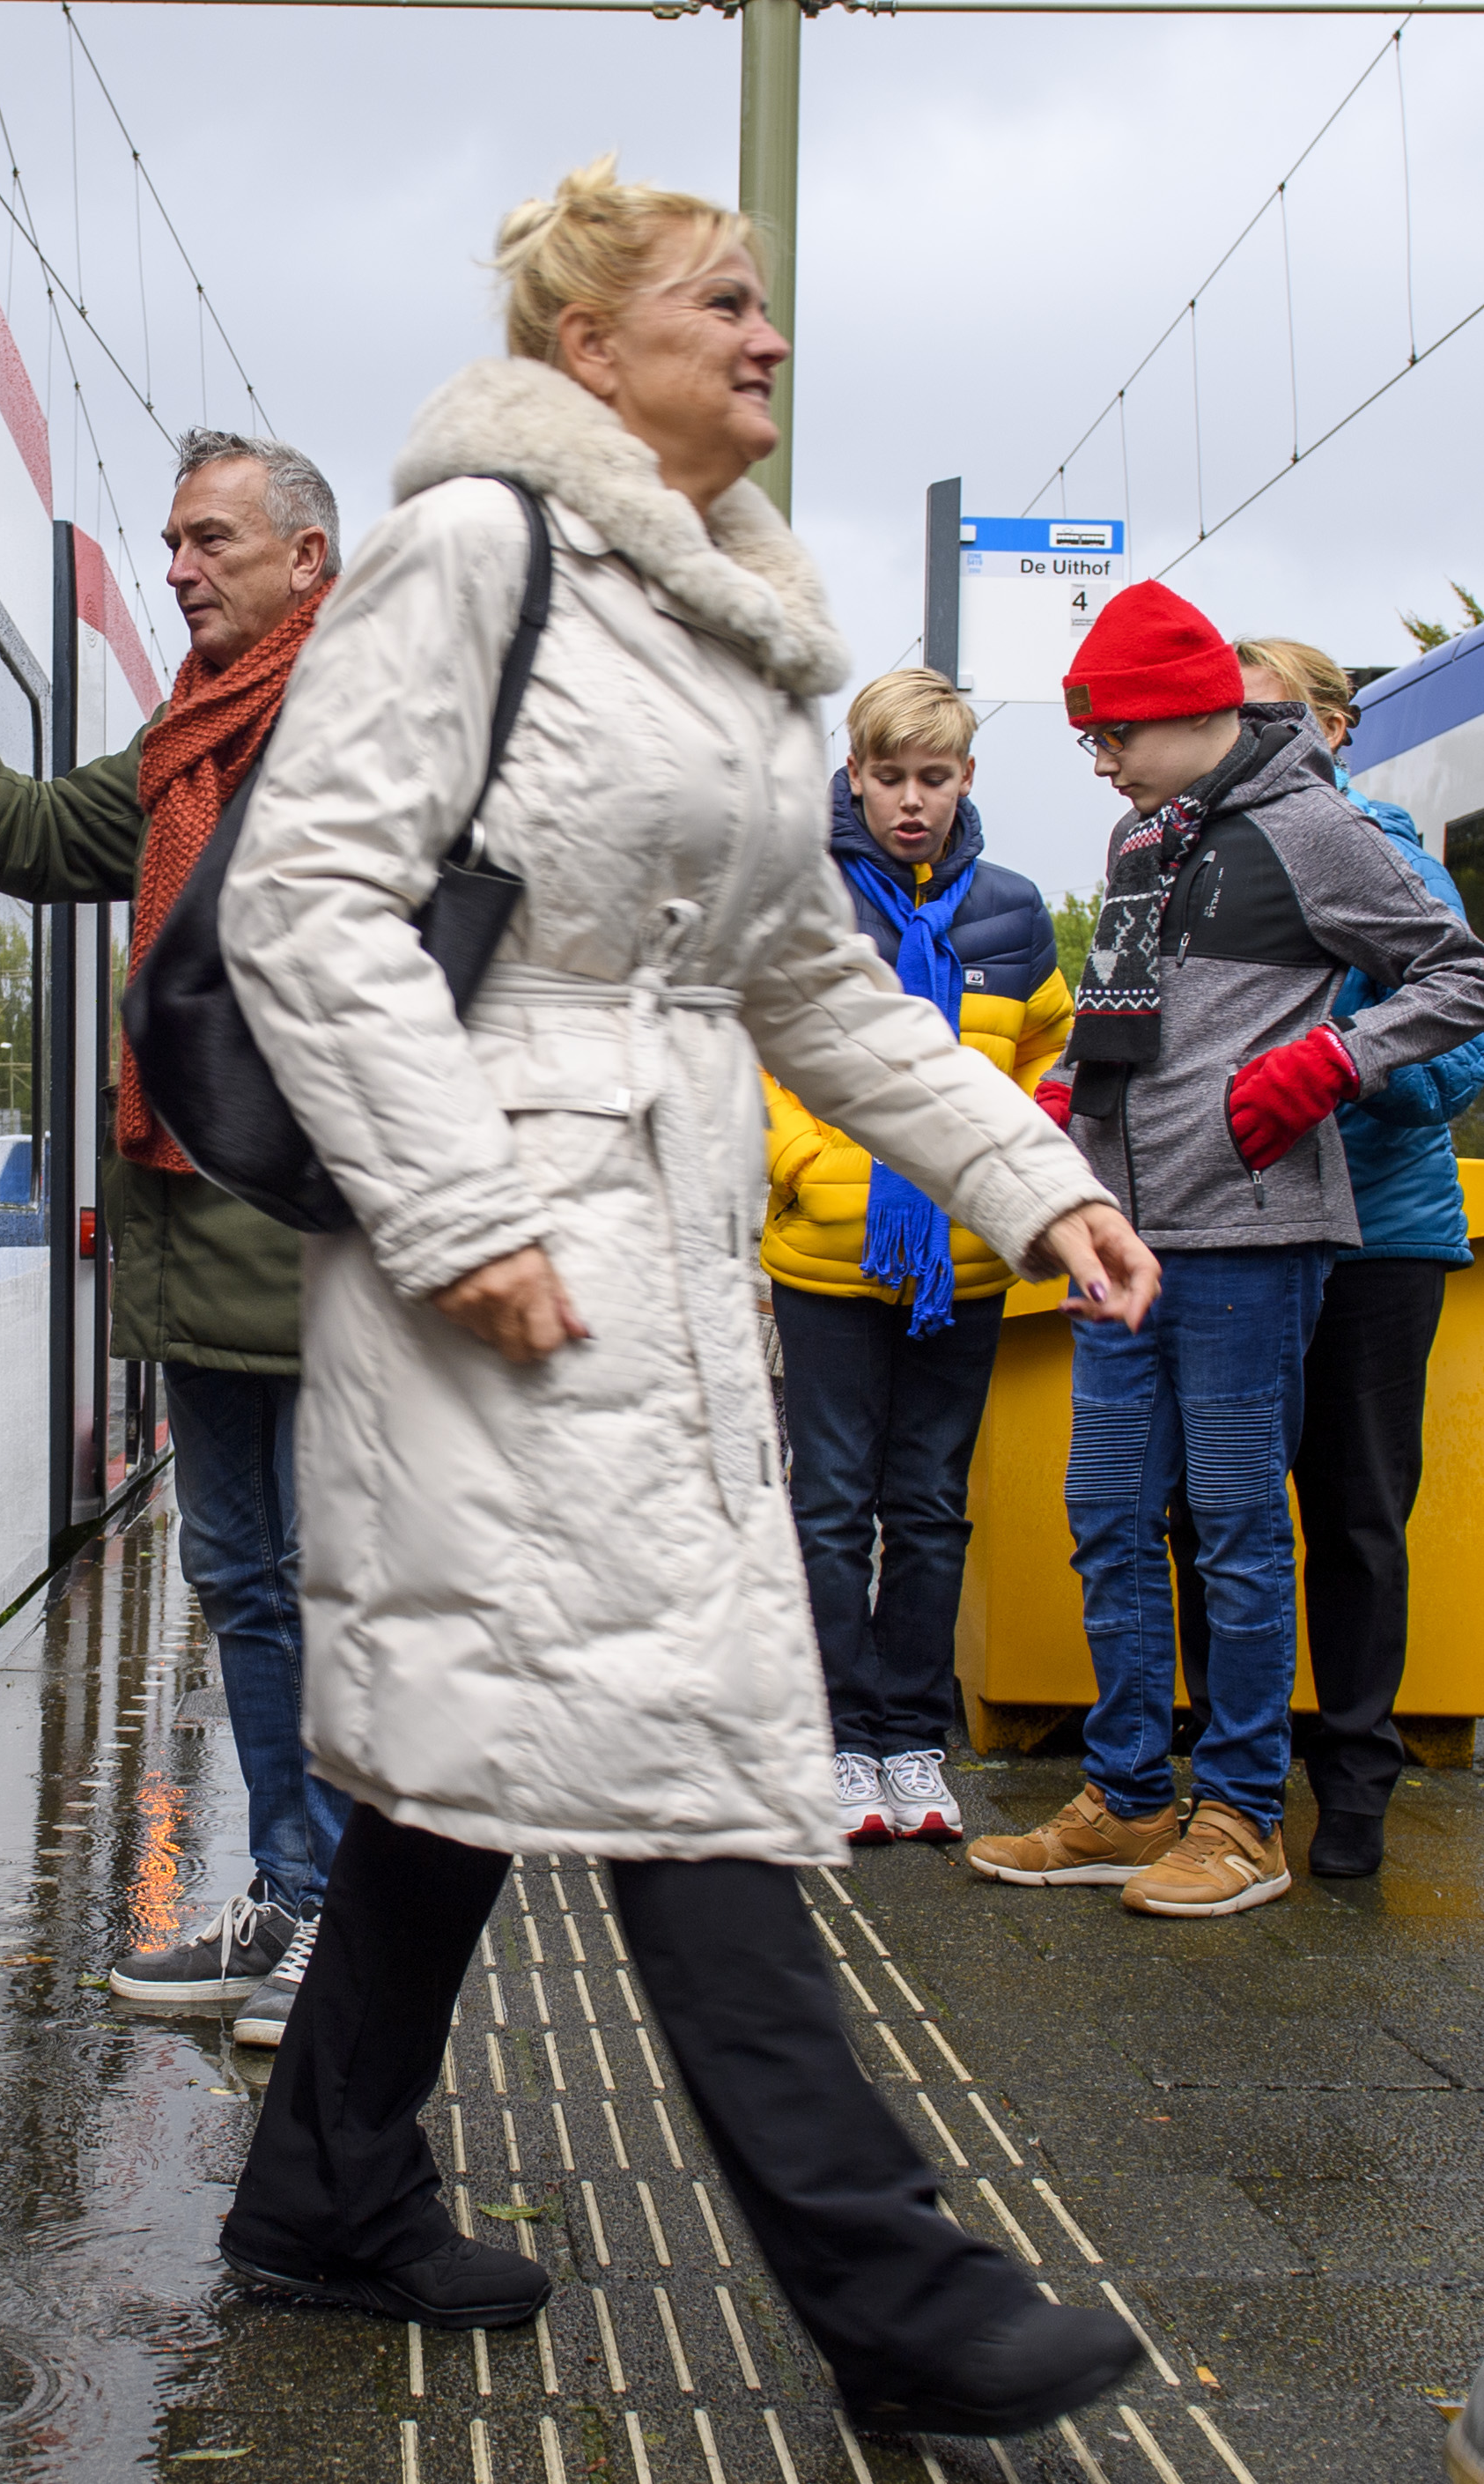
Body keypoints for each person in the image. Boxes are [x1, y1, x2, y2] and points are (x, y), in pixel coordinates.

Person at [210, 157, 1156, 2437]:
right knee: (684, 1737)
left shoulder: (725, 628)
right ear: (584, 350)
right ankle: (888, 2288)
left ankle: (321, 2191)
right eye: (714, 301)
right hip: (513, 1250)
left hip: (639, 1234)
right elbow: (305, 895)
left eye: (763, 304)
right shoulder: (474, 548)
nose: (761, 335)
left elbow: (805, 975)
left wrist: (1025, 1178)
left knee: (489, 1728)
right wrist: (457, 1217)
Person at [0, 430, 351, 2046]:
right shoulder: (187, 741)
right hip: (194, 1213)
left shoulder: (364, 721)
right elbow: (39, 838)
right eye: (170, 542)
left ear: (307, 559)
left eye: (209, 541)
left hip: (316, 1219)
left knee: (327, 1588)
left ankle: (341, 1923)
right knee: (244, 1579)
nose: (177, 568)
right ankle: (294, 1890)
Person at [967, 586, 1484, 1918]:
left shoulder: (1317, 831)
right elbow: (1123, 1017)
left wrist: (1333, 1059)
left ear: (1188, 712)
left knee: (1241, 1532)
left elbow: (1456, 977)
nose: (1098, 763)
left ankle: (1242, 1817)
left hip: (1255, 1237)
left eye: (1108, 736)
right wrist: (1059, 1117)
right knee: (1107, 1521)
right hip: (1121, 1241)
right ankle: (1131, 1796)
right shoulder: (1141, 837)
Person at [1156, 639, 1484, 1881]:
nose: (1245, 739)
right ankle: (1228, 1781)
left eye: (1271, 716)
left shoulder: (1385, 857)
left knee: (1350, 1514)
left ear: (1334, 728)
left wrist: (1332, 1067)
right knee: (1212, 1509)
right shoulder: (1197, 852)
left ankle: (1350, 1785)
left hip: (1373, 1239)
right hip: (1238, 1227)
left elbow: (1456, 1056)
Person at [761, 670, 1069, 1844]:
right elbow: (747, 1037)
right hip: (826, 1256)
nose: (907, 801)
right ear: (851, 775)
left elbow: (1042, 1042)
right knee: (832, 1502)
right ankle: (836, 1742)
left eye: (929, 778)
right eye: (885, 777)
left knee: (930, 1506)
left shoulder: (1009, 912)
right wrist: (798, 1161)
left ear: (963, 781)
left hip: (967, 1256)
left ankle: (907, 1741)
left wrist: (1019, 1137)